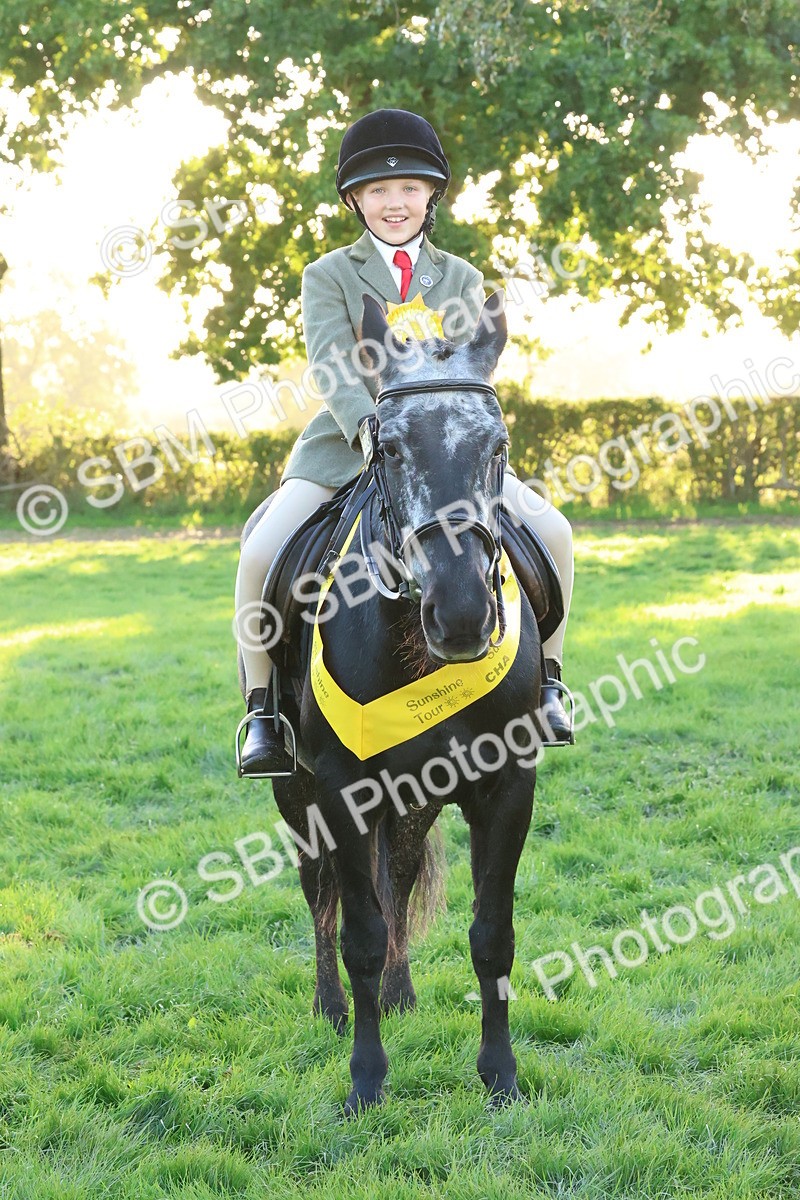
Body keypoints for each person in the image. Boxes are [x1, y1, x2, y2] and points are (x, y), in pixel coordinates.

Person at [234, 108, 574, 776]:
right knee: (261, 552)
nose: (396, 202)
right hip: (346, 444)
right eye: (381, 191)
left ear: (431, 196)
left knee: (555, 533)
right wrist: (369, 429)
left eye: (410, 188)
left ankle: (552, 682)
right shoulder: (328, 274)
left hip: (445, 459)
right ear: (356, 199)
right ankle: (263, 711)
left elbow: (472, 371)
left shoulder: (462, 279)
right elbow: (331, 363)